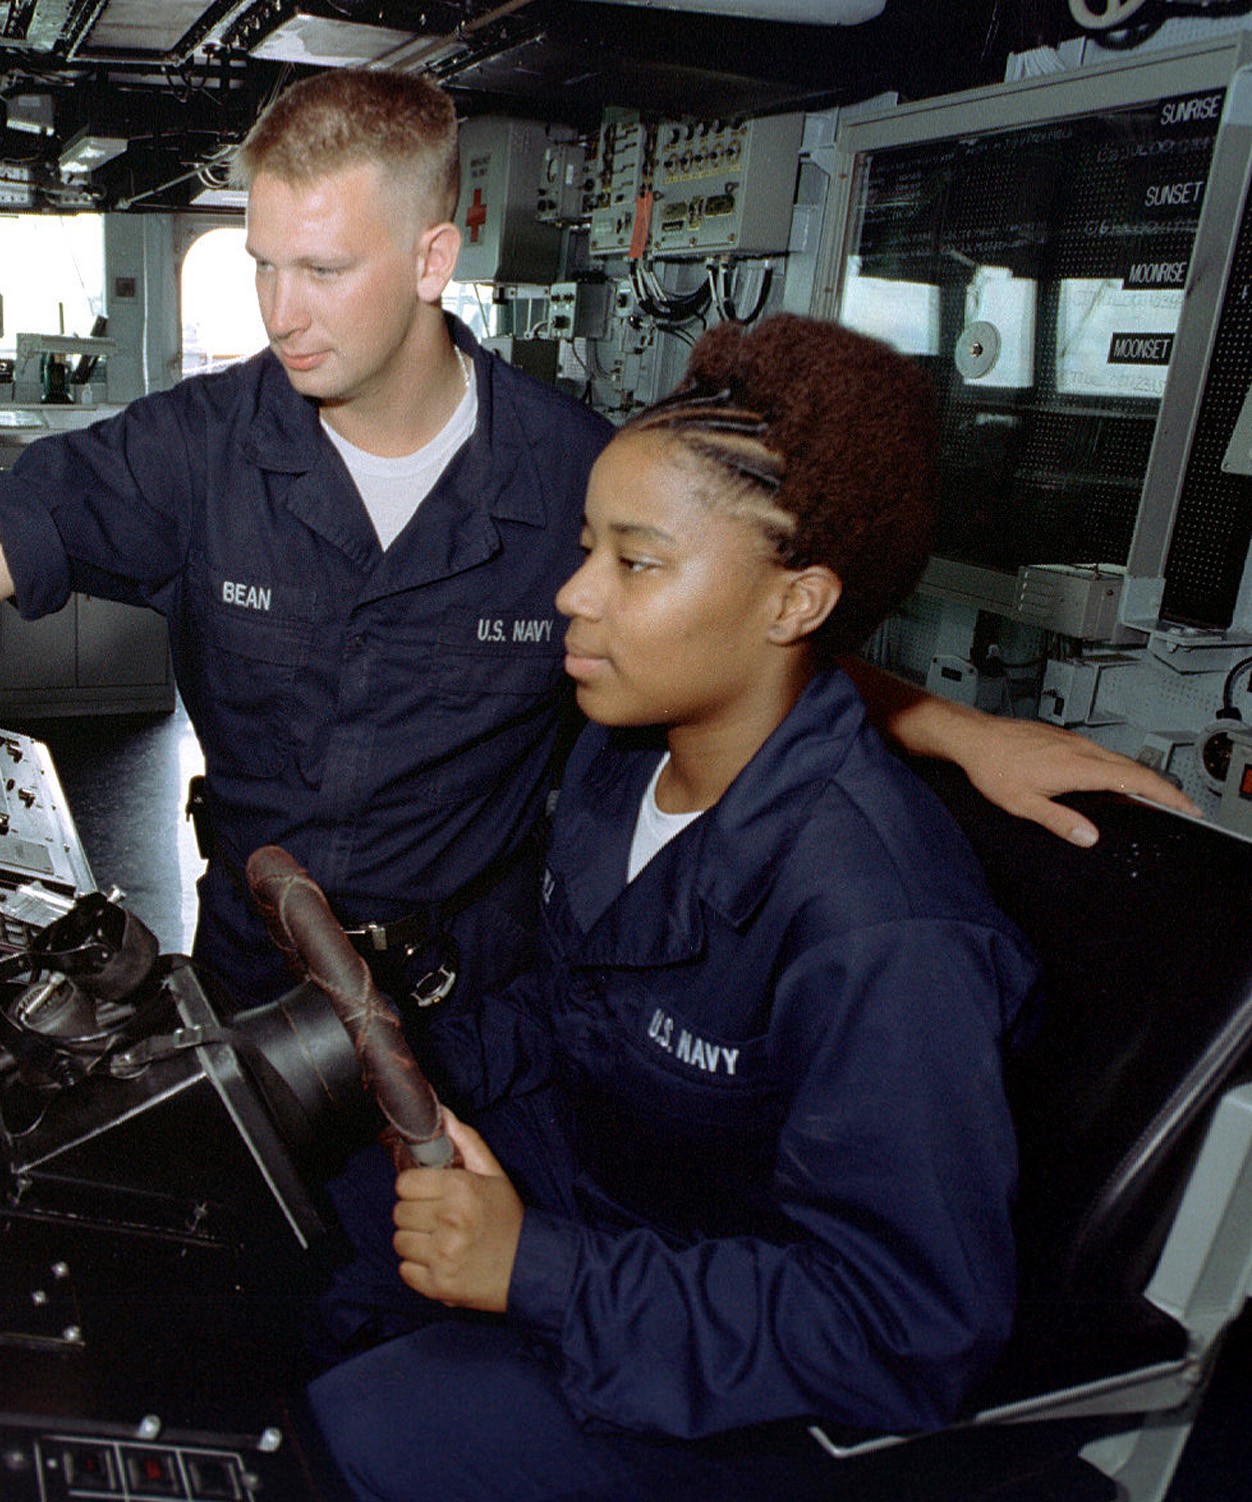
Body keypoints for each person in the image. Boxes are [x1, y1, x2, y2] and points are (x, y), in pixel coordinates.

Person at [0, 70, 1184, 1019]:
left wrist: (959, 732)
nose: (281, 307)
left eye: (323, 267)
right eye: (259, 259)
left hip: (491, 1000)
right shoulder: (203, 447)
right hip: (251, 965)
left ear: (431, 257)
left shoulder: (576, 470)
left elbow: (754, 645)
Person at [306, 315, 1040, 1501]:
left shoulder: (883, 929)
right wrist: (385, 1062)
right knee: (283, 1235)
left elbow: (907, 1326)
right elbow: (579, 1009)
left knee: (359, 1433)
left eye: (634, 563)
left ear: (796, 603)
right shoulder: (622, 759)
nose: (574, 596)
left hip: (740, 1367)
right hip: (616, 1204)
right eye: (586, 547)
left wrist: (536, 1271)